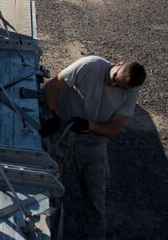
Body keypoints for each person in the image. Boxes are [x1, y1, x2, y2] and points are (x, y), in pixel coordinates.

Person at [39, 56, 147, 240]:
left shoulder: (130, 91)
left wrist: (90, 126)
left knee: (94, 197)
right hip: (62, 133)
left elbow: (113, 129)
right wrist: (54, 116)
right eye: (114, 80)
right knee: (50, 190)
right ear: (118, 64)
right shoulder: (90, 66)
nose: (113, 86)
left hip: (92, 141)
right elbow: (52, 87)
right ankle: (45, 231)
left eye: (119, 87)